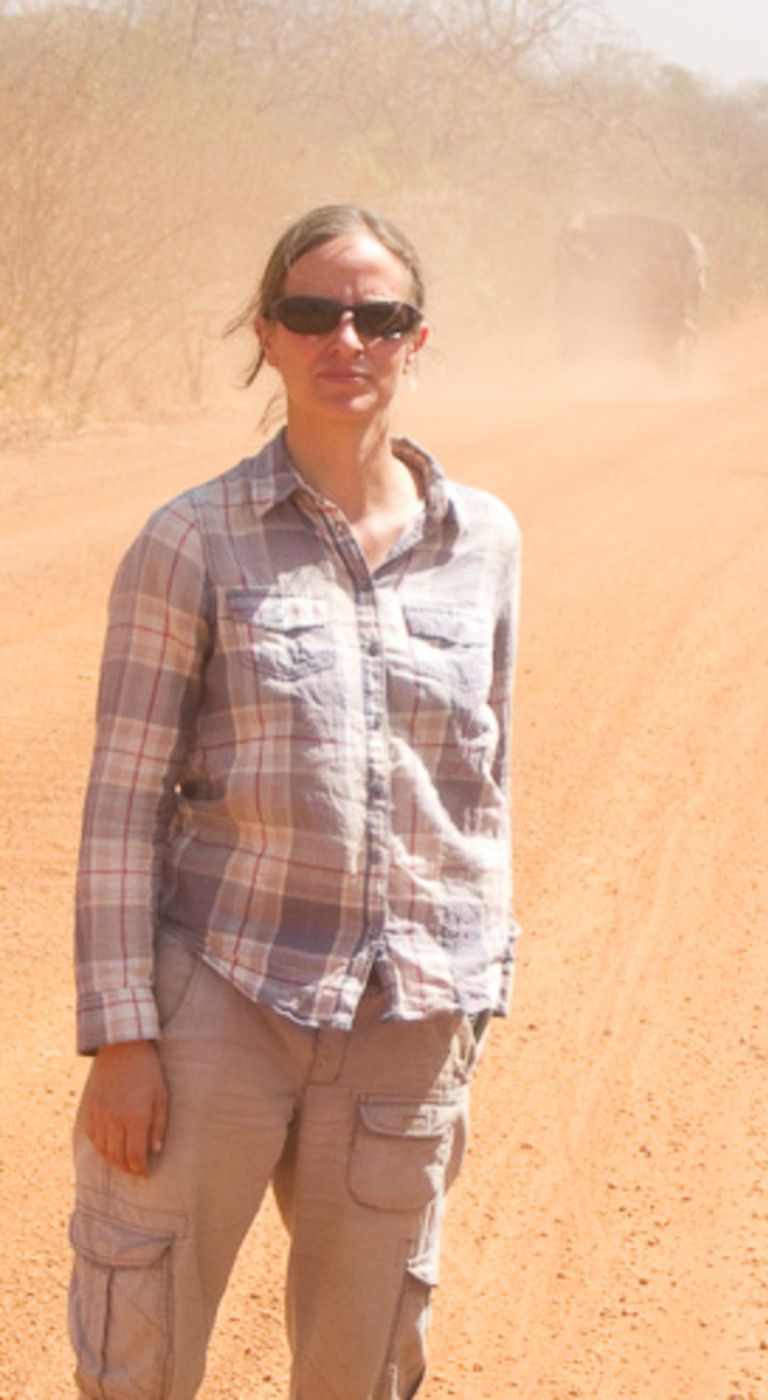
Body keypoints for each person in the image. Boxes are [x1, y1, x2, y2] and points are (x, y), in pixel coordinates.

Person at [69, 204, 521, 1398]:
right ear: (268, 334)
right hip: (224, 992)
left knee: (364, 1360)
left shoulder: (485, 542)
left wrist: (470, 993)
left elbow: (480, 783)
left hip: (402, 1016)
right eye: (315, 312)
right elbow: (123, 800)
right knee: (140, 1343)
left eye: (379, 317)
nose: (348, 339)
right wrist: (124, 1034)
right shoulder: (191, 539)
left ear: (416, 341)